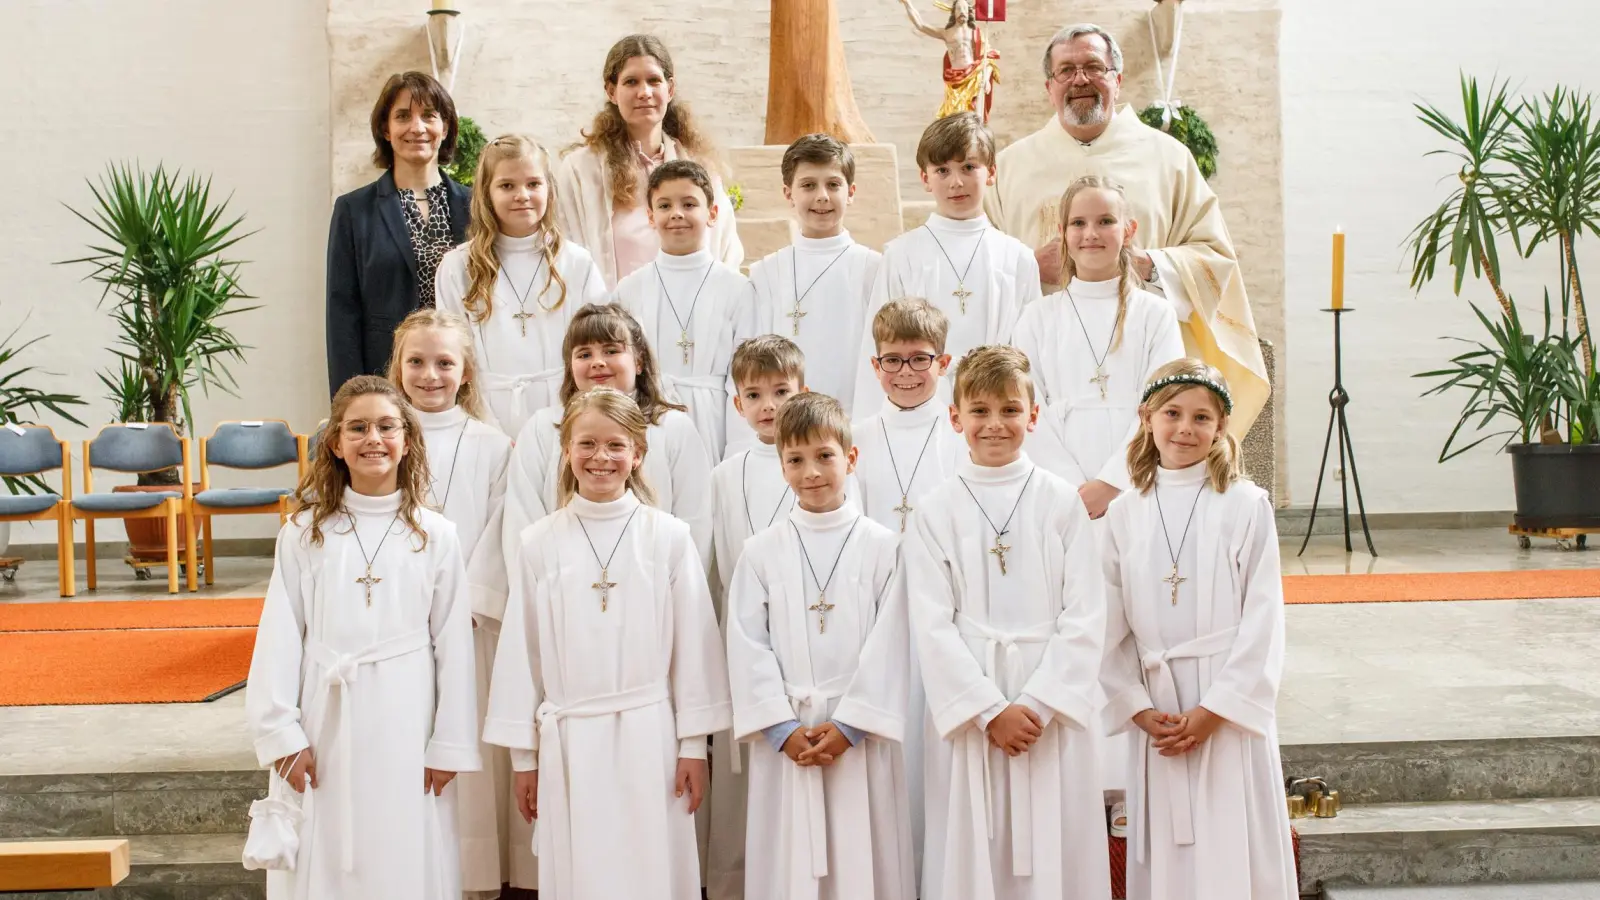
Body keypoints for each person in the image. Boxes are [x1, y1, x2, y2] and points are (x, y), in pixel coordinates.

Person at [484, 386, 732, 899]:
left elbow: (694, 647)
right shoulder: (539, 543)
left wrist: (692, 748)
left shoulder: (668, 538)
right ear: (567, 451)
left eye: (616, 445)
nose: (601, 457)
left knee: (650, 867)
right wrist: (524, 761)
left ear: (638, 454)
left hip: (651, 737)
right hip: (570, 740)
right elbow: (522, 657)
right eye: (587, 444)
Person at [245, 375, 480, 899]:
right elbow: (280, 636)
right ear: (335, 443)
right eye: (358, 427)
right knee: (327, 849)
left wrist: (449, 743)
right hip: (325, 718)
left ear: (408, 439)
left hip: (407, 718)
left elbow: (454, 649)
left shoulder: (437, 535)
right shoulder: (305, 533)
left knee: (403, 845)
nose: (373, 438)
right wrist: (282, 735)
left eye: (386, 426)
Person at [983, 24, 1268, 437]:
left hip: (1143, 347)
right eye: (1066, 70)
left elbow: (1216, 255)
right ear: (1050, 87)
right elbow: (979, 261)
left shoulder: (1168, 159)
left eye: (1093, 67)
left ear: (1117, 79)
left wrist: (1151, 264)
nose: (1079, 79)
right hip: (1050, 356)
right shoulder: (1010, 166)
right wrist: (1026, 267)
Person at [905, 346, 1110, 900]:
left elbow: (1087, 614)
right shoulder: (935, 510)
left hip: (1049, 711)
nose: (995, 424)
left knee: (1057, 844)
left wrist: (1037, 704)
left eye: (1009, 410)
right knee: (973, 848)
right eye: (979, 411)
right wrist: (990, 710)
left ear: (1033, 416)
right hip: (973, 710)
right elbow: (930, 623)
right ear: (955, 419)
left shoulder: (1062, 503)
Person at [1100, 359, 1296, 899]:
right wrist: (1136, 706)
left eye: (1201, 417)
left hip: (1223, 708)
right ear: (1146, 418)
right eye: (1172, 413)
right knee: (1168, 851)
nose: (1185, 428)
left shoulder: (1245, 505)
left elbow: (1264, 618)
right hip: (1158, 713)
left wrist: (1216, 712)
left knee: (1230, 842)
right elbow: (1108, 626)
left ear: (1222, 427)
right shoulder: (1124, 513)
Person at [726, 392, 915, 900]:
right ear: (781, 466)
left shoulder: (883, 547)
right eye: (795, 459)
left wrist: (853, 723)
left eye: (824, 456)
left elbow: (894, 641)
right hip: (787, 738)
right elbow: (746, 644)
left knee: (865, 859)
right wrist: (781, 726)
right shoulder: (760, 552)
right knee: (787, 863)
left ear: (850, 458)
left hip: (858, 737)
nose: (811, 471)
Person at [386, 310, 525, 898]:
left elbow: (502, 528)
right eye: (416, 361)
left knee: (465, 752)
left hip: (468, 625)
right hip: (395, 629)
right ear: (397, 368)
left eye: (445, 362)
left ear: (466, 371)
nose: (430, 375)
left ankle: (473, 876)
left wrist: (463, 602)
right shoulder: (381, 436)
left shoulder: (493, 446)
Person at [704, 334, 811, 900]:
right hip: (744, 640)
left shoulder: (819, 461)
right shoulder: (725, 474)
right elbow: (719, 560)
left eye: (781, 391)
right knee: (743, 781)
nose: (769, 405)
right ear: (737, 403)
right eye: (755, 394)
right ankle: (736, 884)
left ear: (803, 389)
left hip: (809, 639)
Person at [502, 303, 714, 575]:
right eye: (584, 354)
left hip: (652, 577)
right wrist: (539, 581)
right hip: (563, 577)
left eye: (611, 351)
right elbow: (522, 517)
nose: (597, 362)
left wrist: (678, 582)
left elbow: (695, 519)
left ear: (639, 361)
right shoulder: (543, 428)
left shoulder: (673, 428)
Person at [1017, 175, 1184, 514]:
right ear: (1062, 232)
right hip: (1059, 492)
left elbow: (1163, 404)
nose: (1091, 233)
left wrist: (1111, 484)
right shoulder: (1037, 317)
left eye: (1105, 221)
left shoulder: (1156, 314)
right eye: (1078, 223)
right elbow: (1025, 409)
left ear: (1128, 230)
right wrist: (1068, 488)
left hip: (1137, 484)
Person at [853, 113, 1040, 413]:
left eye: (968, 167)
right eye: (942, 170)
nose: (956, 182)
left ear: (991, 173)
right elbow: (877, 346)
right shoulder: (901, 255)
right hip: (918, 405)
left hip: (995, 409)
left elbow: (1031, 351)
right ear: (925, 178)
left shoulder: (1017, 258)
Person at [435, 134, 607, 438]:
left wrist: (572, 420)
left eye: (533, 184)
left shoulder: (577, 263)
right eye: (506, 186)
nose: (522, 195)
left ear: (549, 190)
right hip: (484, 417)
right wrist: (487, 430)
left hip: (565, 415)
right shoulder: (457, 267)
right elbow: (452, 355)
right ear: (486, 194)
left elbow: (595, 350)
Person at [558, 34, 744, 290]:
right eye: (631, 82)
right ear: (611, 91)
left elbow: (726, 250)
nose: (644, 92)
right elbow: (567, 252)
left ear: (670, 89)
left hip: (689, 314)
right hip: (612, 320)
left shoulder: (701, 167)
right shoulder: (580, 170)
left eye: (653, 80)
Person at [327, 72, 471, 396]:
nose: (416, 127)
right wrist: (348, 401)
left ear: (445, 127)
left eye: (429, 116)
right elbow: (342, 317)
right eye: (403, 116)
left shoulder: (477, 206)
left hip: (461, 382)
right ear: (385, 129)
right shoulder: (353, 210)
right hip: (385, 384)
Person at [613, 159, 750, 464]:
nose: (676, 214)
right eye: (664, 206)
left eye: (689, 204)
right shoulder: (629, 289)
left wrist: (738, 447)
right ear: (651, 216)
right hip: (648, 417)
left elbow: (744, 377)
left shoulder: (738, 289)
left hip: (715, 421)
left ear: (713, 214)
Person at [739, 135, 881, 421]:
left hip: (854, 419)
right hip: (785, 421)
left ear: (850, 192)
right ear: (788, 193)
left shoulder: (873, 268)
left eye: (833, 184)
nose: (822, 196)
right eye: (807, 185)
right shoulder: (767, 272)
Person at [895, 0, 1001, 123]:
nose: (962, 12)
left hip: (973, 77)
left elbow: (987, 58)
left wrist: (986, 79)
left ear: (969, 11)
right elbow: (920, 25)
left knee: (974, 112)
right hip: (955, 79)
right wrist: (907, 3)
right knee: (955, 114)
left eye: (965, 9)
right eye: (959, 9)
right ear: (953, 12)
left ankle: (975, 134)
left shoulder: (976, 33)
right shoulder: (946, 33)